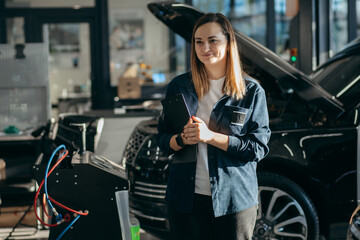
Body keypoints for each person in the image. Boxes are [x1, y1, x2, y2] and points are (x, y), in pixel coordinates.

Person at [157, 13, 271, 240]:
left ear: (228, 43)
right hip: (185, 200)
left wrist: (210, 136)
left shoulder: (251, 92)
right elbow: (163, 141)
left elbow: (257, 148)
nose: (204, 47)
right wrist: (182, 140)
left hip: (233, 202)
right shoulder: (178, 86)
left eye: (212, 40)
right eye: (198, 41)